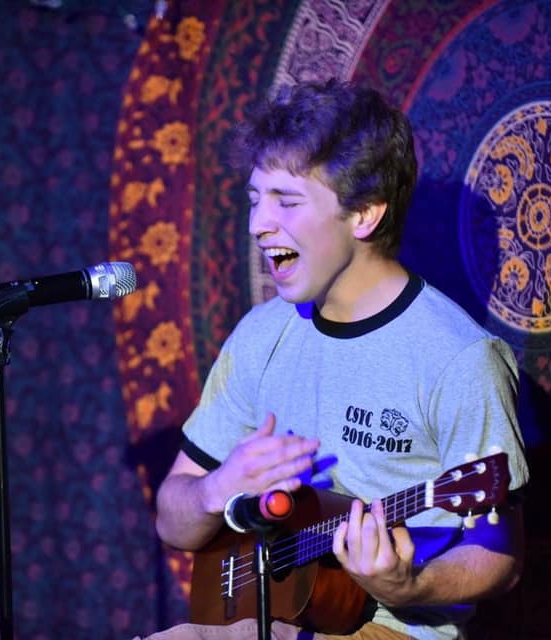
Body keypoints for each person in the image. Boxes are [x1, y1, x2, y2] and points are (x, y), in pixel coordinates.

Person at [136, 79, 529, 640]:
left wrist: (409, 585)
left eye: (286, 202)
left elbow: (500, 557)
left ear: (365, 214)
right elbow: (173, 519)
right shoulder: (261, 334)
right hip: (264, 617)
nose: (257, 225)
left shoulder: (459, 359)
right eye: (254, 200)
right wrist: (215, 488)